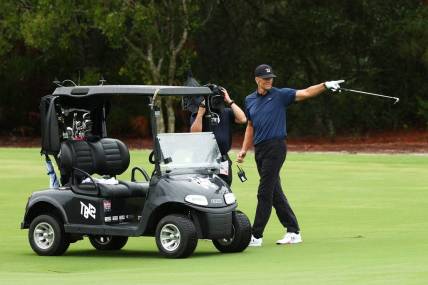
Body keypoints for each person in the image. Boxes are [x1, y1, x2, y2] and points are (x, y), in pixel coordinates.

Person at [237, 64, 344, 246]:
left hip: (276, 147)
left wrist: (325, 85)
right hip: (260, 150)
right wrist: (244, 149)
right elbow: (250, 125)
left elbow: (306, 93)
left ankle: (256, 235)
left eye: (271, 78)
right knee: (275, 193)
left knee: (264, 193)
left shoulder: (280, 95)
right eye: (265, 78)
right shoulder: (250, 100)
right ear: (257, 80)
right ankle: (293, 231)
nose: (269, 81)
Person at [191, 87, 247, 185]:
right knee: (205, 188)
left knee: (224, 186)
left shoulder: (226, 112)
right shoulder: (200, 113)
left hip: (223, 158)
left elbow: (242, 119)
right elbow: (194, 133)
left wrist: (229, 101)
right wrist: (200, 114)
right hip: (204, 159)